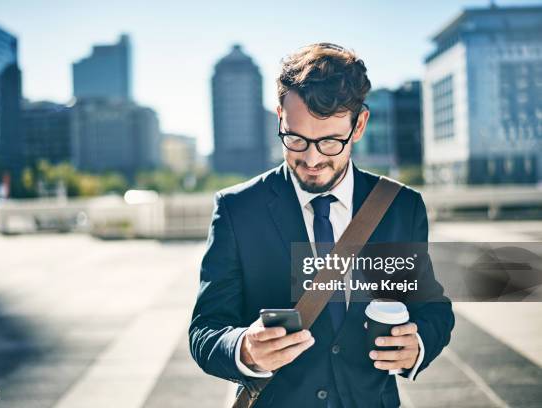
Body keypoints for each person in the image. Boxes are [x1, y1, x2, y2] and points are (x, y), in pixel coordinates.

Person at [189, 43, 454, 408]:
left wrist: (418, 342)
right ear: (280, 116)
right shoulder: (237, 210)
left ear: (358, 125)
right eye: (296, 139)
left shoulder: (400, 207)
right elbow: (205, 330)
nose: (312, 159)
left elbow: (432, 308)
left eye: (329, 142)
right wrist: (244, 348)